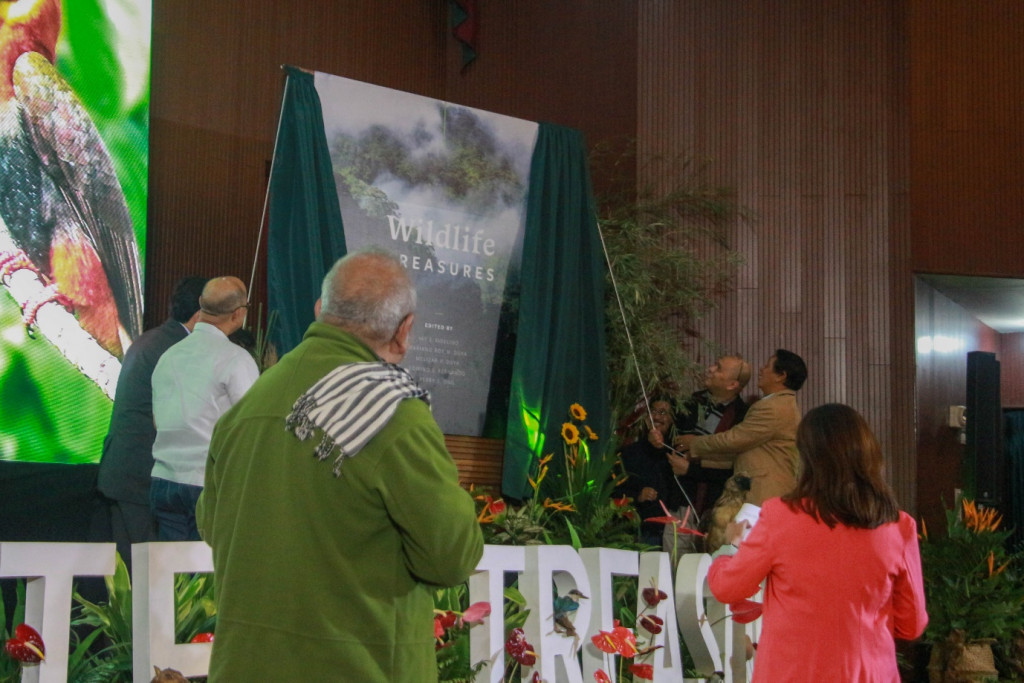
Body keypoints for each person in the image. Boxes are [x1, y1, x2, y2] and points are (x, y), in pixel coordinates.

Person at [196, 248, 484, 682]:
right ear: (404, 332)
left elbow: (213, 527)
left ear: (320, 310)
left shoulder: (249, 404)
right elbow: (450, 557)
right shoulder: (395, 415)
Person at [707, 403, 928, 681]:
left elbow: (728, 587)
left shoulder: (780, 516)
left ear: (807, 459)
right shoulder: (899, 525)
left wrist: (730, 548)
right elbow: (912, 625)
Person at [94, 275, 208, 564]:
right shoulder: (178, 350)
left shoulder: (151, 339)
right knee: (150, 576)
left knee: (131, 576)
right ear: (199, 317)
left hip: (124, 472)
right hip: (142, 480)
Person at [149, 276, 258, 541]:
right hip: (206, 483)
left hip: (163, 480)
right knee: (206, 577)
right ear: (239, 314)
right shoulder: (236, 359)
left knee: (170, 578)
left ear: (201, 304)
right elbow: (252, 426)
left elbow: (156, 420)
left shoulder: (168, 356)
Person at [676, 349, 807, 506]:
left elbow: (734, 440)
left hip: (764, 494)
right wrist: (699, 458)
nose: (761, 369)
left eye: (767, 366)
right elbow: (741, 452)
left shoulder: (774, 408)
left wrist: (695, 443)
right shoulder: (779, 405)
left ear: (781, 376)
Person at [650, 355, 751, 518]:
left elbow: (734, 467)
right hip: (678, 501)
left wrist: (690, 469)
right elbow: (669, 445)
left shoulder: (742, 417)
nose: (710, 369)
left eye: (718, 368)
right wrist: (657, 441)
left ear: (732, 384)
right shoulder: (692, 401)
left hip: (715, 507)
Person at [617, 398, 693, 546]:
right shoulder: (630, 453)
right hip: (641, 531)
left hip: (675, 533)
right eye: (653, 412)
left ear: (672, 419)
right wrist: (638, 495)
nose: (657, 417)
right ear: (646, 419)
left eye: (663, 413)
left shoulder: (681, 453)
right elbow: (616, 489)